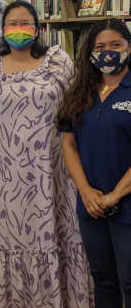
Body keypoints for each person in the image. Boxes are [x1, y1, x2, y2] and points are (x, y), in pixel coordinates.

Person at [0, 0, 93, 308]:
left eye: (25, 23)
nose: (18, 30)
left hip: (54, 168)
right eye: (12, 24)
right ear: (3, 31)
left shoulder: (57, 61)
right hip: (12, 174)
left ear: (37, 28)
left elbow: (75, 105)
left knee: (58, 230)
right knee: (18, 236)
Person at [57, 18, 131, 308]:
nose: (108, 52)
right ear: (90, 52)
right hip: (91, 205)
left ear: (129, 47)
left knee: (130, 280)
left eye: (116, 45)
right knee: (103, 279)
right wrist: (85, 191)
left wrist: (114, 196)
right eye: (100, 47)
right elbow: (69, 143)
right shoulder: (81, 91)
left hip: (126, 204)